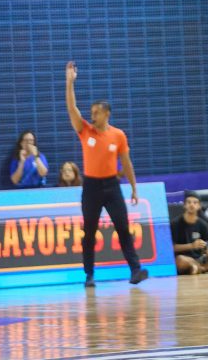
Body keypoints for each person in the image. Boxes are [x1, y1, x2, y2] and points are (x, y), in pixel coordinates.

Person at [65, 61, 149, 287]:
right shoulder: (85, 131)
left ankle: (135, 270)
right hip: (91, 187)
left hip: (112, 187)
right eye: (91, 112)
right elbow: (72, 109)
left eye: (96, 113)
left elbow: (126, 163)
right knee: (90, 231)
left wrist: (134, 188)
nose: (92, 116)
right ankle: (89, 275)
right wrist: (69, 83)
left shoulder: (118, 135)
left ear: (107, 114)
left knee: (123, 227)